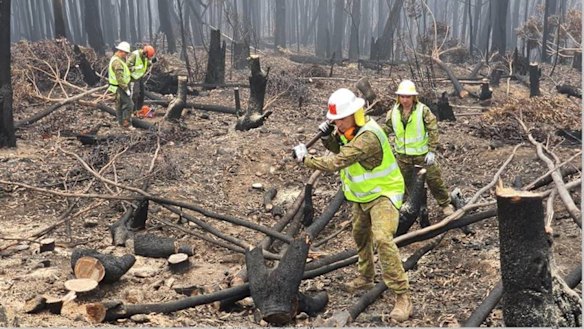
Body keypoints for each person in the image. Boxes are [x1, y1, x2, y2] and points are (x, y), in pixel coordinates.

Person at [292, 88, 413, 322]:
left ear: (357, 114)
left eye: (342, 119)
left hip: (383, 193)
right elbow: (338, 148)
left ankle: (402, 295)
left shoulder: (367, 136)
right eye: (334, 121)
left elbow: (338, 160)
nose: (338, 124)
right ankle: (366, 276)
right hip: (361, 195)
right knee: (360, 235)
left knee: (383, 239)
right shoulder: (349, 130)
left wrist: (305, 158)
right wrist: (328, 137)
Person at [384, 80, 455, 216]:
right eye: (402, 96)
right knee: (403, 184)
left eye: (408, 97)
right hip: (402, 156)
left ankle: (445, 204)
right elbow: (387, 128)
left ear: (414, 97)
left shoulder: (423, 110)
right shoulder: (393, 112)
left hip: (422, 155)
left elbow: (433, 129)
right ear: (398, 97)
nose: (405, 100)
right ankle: (408, 209)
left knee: (434, 180)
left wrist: (432, 150)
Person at [108, 41, 134, 128]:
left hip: (117, 87)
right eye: (125, 53)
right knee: (129, 104)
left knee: (119, 105)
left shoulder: (117, 59)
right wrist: (126, 89)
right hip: (120, 87)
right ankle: (126, 124)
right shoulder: (117, 62)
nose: (126, 55)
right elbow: (120, 78)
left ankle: (120, 123)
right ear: (121, 51)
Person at [127, 44, 156, 113]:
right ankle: (132, 111)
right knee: (134, 94)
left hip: (140, 77)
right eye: (148, 56)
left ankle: (139, 109)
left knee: (141, 94)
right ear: (145, 52)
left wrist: (152, 62)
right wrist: (136, 68)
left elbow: (146, 64)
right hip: (133, 78)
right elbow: (127, 66)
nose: (148, 58)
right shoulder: (135, 55)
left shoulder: (145, 57)